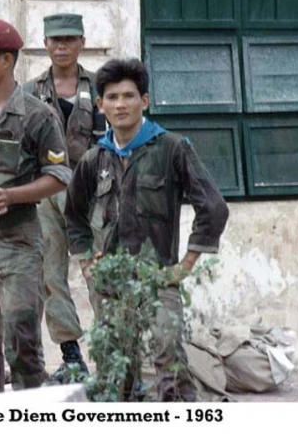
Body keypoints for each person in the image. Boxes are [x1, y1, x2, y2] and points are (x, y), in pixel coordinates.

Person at [64, 58, 229, 402]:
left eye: (128, 96)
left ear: (145, 101)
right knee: (115, 365)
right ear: (100, 105)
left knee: (169, 355)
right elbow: (74, 216)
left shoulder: (172, 148)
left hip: (158, 278)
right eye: (112, 97)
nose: (120, 104)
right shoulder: (95, 159)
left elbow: (213, 206)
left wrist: (184, 266)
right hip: (110, 284)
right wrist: (87, 263)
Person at [0, 18, 72, 394]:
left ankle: (27, 411)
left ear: (6, 60)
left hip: (17, 236)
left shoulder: (38, 114)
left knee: (21, 337)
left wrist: (14, 195)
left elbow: (59, 175)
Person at [22, 13, 106, 383]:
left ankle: (111, 347)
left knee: (99, 269)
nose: (62, 46)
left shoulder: (103, 86)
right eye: (55, 40)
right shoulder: (29, 92)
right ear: (45, 44)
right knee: (50, 274)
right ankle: (71, 354)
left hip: (94, 192)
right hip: (46, 191)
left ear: (82, 43)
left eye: (69, 39)